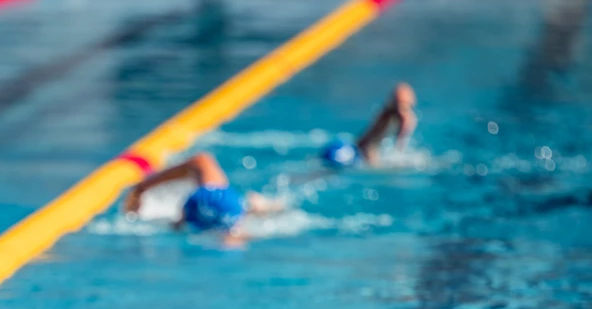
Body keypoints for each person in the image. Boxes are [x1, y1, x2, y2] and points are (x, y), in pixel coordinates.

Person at [122, 152, 285, 247]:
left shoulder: (200, 193)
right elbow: (201, 159)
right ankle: (260, 206)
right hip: (218, 207)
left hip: (193, 210)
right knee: (239, 226)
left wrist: (141, 188)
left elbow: (200, 160)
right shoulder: (221, 197)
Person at [321, 82, 418, 168]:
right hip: (358, 153)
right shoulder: (402, 117)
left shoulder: (385, 112)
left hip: (351, 147)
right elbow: (398, 149)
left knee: (328, 169)